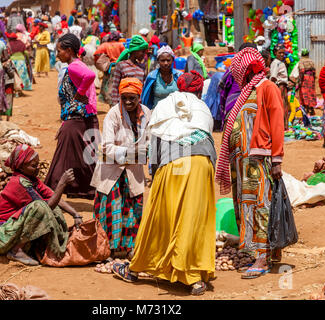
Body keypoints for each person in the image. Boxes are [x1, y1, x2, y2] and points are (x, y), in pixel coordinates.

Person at [112, 71, 217, 296]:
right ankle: (195, 275)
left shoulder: (163, 106)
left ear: (178, 88)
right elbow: (208, 139)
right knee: (193, 219)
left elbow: (155, 143)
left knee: (159, 217)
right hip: (201, 165)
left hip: (173, 165)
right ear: (198, 91)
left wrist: (155, 175)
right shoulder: (202, 108)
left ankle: (136, 269)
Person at [215, 47, 285, 279]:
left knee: (260, 207)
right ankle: (261, 251)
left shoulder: (267, 88)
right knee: (246, 207)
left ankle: (263, 257)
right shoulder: (247, 92)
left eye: (240, 71)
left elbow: (276, 122)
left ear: (247, 70)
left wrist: (276, 160)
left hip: (259, 160)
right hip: (242, 164)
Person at [0, 144, 83, 268]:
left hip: (14, 232)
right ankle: (16, 250)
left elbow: (53, 196)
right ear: (21, 167)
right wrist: (62, 184)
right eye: (33, 166)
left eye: (38, 164)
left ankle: (49, 245)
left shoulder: (32, 179)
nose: (37, 168)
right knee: (39, 207)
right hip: (2, 237)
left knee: (55, 208)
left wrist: (75, 214)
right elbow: (45, 207)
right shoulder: (18, 183)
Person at [91, 78, 150, 259]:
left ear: (139, 97)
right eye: (124, 98)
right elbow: (107, 148)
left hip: (133, 171)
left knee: (133, 209)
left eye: (132, 98)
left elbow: (149, 143)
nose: (128, 102)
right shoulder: (113, 115)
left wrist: (138, 154)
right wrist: (137, 154)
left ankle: (130, 247)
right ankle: (108, 249)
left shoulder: (147, 113)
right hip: (112, 171)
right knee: (112, 208)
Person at [44, 33, 99, 199]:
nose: (57, 54)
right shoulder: (74, 65)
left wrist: (79, 94)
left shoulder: (74, 66)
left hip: (75, 121)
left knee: (63, 162)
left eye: (59, 51)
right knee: (83, 160)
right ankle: (93, 192)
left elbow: (90, 76)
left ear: (69, 50)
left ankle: (48, 195)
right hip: (75, 120)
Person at [109, 35, 148, 107]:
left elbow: (144, 87)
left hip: (138, 105)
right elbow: (115, 87)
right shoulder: (121, 65)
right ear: (135, 50)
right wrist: (114, 105)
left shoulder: (142, 67)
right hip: (123, 104)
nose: (144, 55)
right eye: (142, 52)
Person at [141, 45, 182, 110]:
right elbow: (146, 97)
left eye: (168, 60)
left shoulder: (179, 76)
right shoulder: (152, 76)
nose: (166, 63)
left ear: (172, 60)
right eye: (162, 60)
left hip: (176, 113)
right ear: (158, 61)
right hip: (157, 113)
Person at [94, 31, 125, 104]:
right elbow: (126, 55)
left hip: (109, 69)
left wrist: (102, 61)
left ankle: (111, 103)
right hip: (119, 68)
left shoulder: (105, 45)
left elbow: (96, 54)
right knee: (118, 87)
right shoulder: (120, 45)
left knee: (108, 88)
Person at [270, 44, 289, 129]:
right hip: (279, 87)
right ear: (275, 53)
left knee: (285, 106)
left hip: (283, 86)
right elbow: (273, 77)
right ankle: (280, 126)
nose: (282, 55)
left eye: (283, 53)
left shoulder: (280, 63)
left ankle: (284, 125)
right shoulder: (276, 63)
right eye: (279, 53)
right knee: (281, 106)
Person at [298, 49, 317, 116]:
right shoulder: (311, 61)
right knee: (311, 92)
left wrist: (300, 80)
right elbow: (314, 71)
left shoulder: (301, 61)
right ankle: (311, 108)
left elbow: (302, 70)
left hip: (305, 78)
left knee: (304, 92)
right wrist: (313, 78)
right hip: (311, 78)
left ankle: (306, 108)